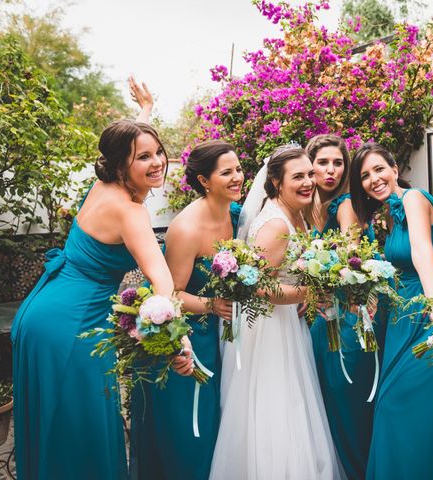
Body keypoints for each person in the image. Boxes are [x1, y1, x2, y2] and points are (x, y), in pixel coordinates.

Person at [11, 118, 193, 480]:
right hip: (71, 327)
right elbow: (162, 282)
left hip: (41, 313)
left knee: (58, 427)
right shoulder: (131, 211)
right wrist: (178, 341)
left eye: (158, 152)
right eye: (143, 157)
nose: (157, 162)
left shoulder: (102, 184)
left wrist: (144, 110)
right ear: (120, 164)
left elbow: (122, 144)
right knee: (84, 430)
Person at [209, 145, 344, 480]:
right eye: (298, 176)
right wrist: (311, 292)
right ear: (276, 182)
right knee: (277, 409)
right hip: (268, 331)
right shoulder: (275, 224)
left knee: (293, 406)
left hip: (284, 323)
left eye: (309, 174)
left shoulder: (294, 213)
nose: (308, 182)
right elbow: (259, 287)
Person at [129, 140, 242, 479]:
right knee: (192, 428)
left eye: (238, 169)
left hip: (225, 336)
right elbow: (171, 293)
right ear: (204, 181)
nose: (237, 177)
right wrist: (211, 305)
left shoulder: (236, 215)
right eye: (227, 172)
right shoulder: (186, 228)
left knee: (220, 424)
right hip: (189, 336)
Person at [349, 143, 433, 479]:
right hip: (401, 317)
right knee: (391, 408)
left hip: (428, 312)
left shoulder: (413, 199)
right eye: (365, 175)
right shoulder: (390, 214)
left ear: (395, 169)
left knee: (404, 406)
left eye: (379, 169)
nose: (374, 179)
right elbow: (398, 267)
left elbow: (423, 251)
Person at [305, 134, 377, 480]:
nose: (330, 170)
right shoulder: (304, 207)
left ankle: (359, 469)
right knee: (326, 396)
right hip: (316, 314)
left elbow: (353, 260)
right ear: (310, 165)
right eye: (323, 163)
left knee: (348, 393)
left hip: (347, 312)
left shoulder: (345, 205)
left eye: (338, 163)